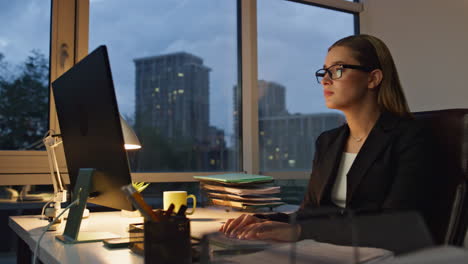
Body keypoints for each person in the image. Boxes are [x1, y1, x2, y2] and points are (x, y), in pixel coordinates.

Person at [219, 34, 437, 244]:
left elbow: (395, 225)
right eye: (324, 72)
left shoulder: (410, 136)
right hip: (330, 250)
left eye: (338, 70)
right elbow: (310, 214)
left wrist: (300, 231)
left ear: (373, 78)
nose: (325, 80)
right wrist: (264, 220)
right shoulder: (328, 142)